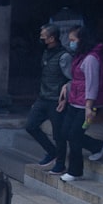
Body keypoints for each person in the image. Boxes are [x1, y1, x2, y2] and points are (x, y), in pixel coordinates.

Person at [55, 26, 103, 181]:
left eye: (73, 40)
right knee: (65, 132)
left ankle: (75, 171)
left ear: (82, 40)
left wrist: (89, 107)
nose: (71, 43)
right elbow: (76, 80)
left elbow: (92, 84)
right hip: (75, 102)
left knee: (75, 135)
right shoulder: (80, 56)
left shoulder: (91, 59)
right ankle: (96, 146)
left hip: (87, 105)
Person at [26, 24, 71, 169]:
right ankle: (52, 152)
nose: (41, 39)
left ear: (52, 38)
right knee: (30, 126)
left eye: (43, 36)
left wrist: (65, 97)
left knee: (59, 134)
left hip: (56, 100)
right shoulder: (46, 53)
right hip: (43, 98)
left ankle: (60, 163)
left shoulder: (64, 56)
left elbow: (72, 78)